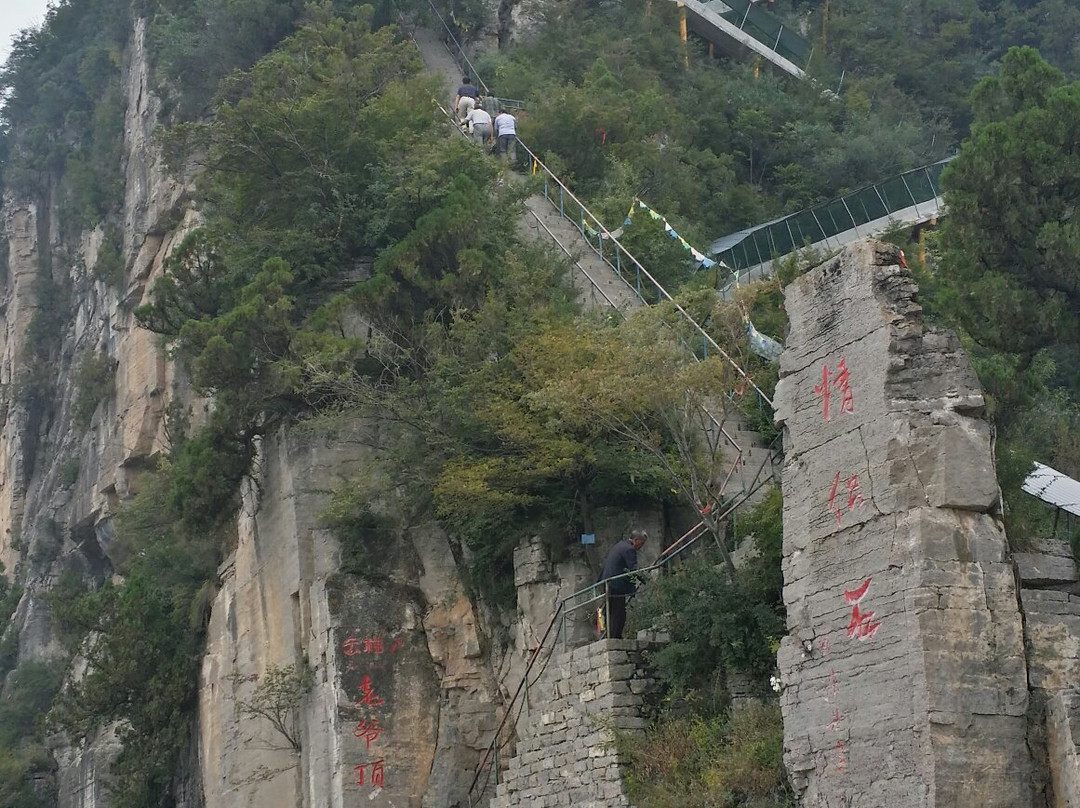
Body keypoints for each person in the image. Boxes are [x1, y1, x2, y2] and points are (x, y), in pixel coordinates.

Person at [597, 529, 648, 640]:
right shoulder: (629, 550)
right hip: (616, 585)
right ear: (636, 540)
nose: (641, 546)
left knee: (611, 611)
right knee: (618, 613)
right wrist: (645, 578)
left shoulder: (619, 545)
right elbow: (633, 569)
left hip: (607, 582)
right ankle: (615, 637)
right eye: (642, 543)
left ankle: (610, 635)